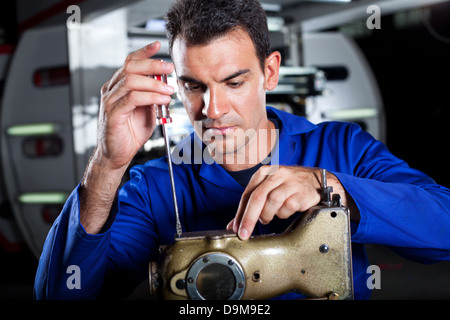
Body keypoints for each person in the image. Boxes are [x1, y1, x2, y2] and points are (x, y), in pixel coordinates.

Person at [34, 0, 450, 300]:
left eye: (233, 83)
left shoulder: (340, 149)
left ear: (270, 71)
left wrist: (333, 190)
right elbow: (62, 292)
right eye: (193, 86)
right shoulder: (155, 186)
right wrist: (107, 165)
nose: (212, 110)